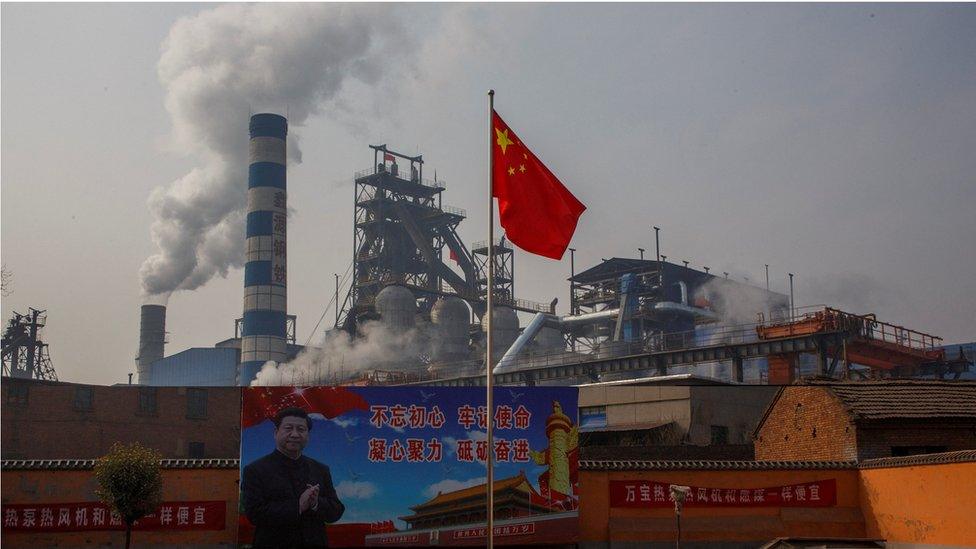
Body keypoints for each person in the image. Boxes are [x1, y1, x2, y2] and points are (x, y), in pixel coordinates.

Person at [243, 406, 345, 548]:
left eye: (301, 430)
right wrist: (298, 506)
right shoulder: (255, 470)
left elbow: (336, 510)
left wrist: (316, 503)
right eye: (288, 428)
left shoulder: (321, 469)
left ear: (307, 435)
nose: (295, 434)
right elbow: (254, 514)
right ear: (276, 432)